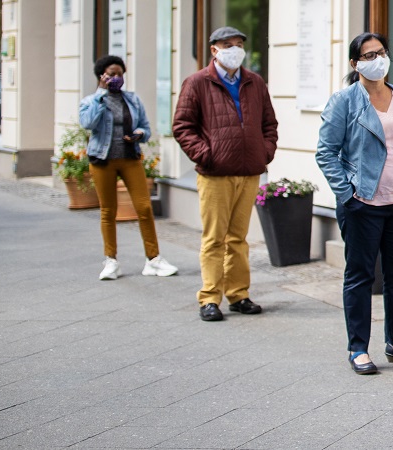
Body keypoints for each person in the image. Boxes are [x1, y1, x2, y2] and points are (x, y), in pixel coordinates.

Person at [316, 32, 393, 375]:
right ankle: (358, 348)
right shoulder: (344, 101)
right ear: (355, 63)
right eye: (368, 55)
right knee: (360, 276)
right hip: (363, 202)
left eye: (381, 52)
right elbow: (326, 153)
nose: (377, 59)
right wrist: (347, 193)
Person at [173, 26, 277, 322]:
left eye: (239, 44)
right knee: (214, 238)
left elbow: (269, 124)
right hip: (215, 174)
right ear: (214, 50)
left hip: (249, 171)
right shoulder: (197, 82)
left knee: (239, 238)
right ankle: (209, 297)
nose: (235, 50)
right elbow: (182, 126)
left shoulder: (254, 82)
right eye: (228, 45)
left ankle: (239, 294)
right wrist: (206, 155)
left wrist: (264, 152)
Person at [79, 55, 178, 281]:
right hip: (102, 161)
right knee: (108, 211)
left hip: (130, 158)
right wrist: (101, 94)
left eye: (120, 74)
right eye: (112, 74)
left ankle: (153, 259)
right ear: (101, 76)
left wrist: (139, 134)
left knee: (144, 207)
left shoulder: (132, 100)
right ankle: (111, 261)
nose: (117, 78)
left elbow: (145, 128)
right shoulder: (90, 101)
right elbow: (87, 123)